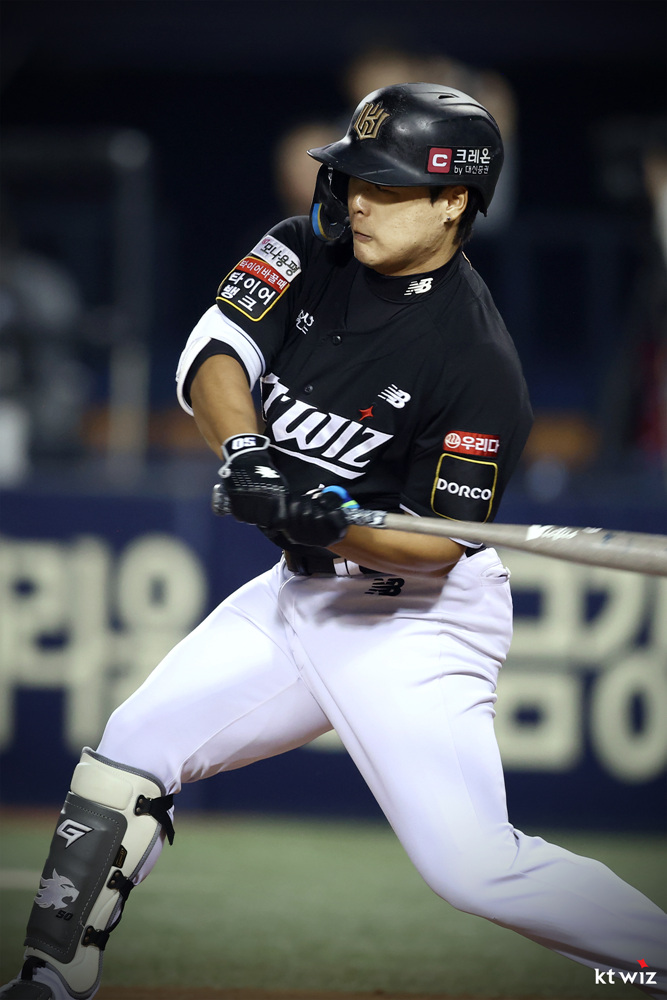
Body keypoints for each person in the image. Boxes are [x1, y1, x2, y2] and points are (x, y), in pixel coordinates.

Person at [2, 83, 665, 1000]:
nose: (358, 200)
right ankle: (52, 978)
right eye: (356, 177)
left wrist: (332, 518)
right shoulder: (304, 244)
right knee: (131, 746)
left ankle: (652, 961)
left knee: (473, 869)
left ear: (454, 202)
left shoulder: (477, 362)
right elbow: (215, 353)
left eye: (388, 187)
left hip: (415, 621)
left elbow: (435, 548)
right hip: (298, 594)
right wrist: (248, 454)